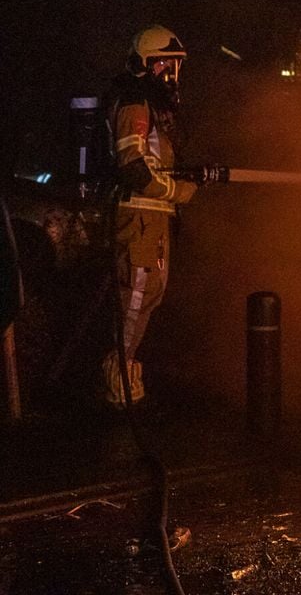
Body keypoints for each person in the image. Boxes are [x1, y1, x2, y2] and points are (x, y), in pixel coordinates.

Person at [101, 25, 199, 407]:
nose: (172, 74)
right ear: (147, 64)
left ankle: (124, 375)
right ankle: (119, 379)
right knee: (136, 295)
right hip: (139, 215)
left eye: (176, 66)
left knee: (149, 294)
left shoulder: (149, 103)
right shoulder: (135, 100)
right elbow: (133, 166)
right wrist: (177, 190)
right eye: (166, 65)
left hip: (152, 217)